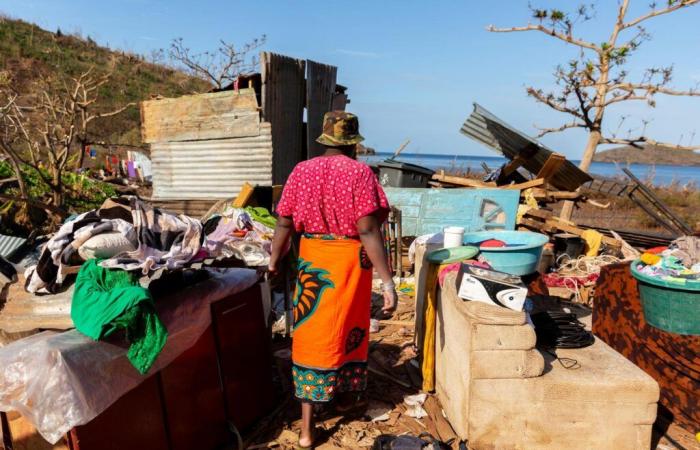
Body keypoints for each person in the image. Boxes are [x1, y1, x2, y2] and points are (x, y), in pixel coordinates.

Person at [269, 111, 397, 449]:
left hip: (313, 260)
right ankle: (343, 399)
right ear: (353, 143)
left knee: (312, 334)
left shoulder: (301, 171)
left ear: (324, 139)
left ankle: (307, 430)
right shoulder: (360, 173)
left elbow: (284, 224)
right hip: (350, 264)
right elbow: (368, 229)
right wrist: (388, 281)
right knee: (347, 331)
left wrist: (273, 259)